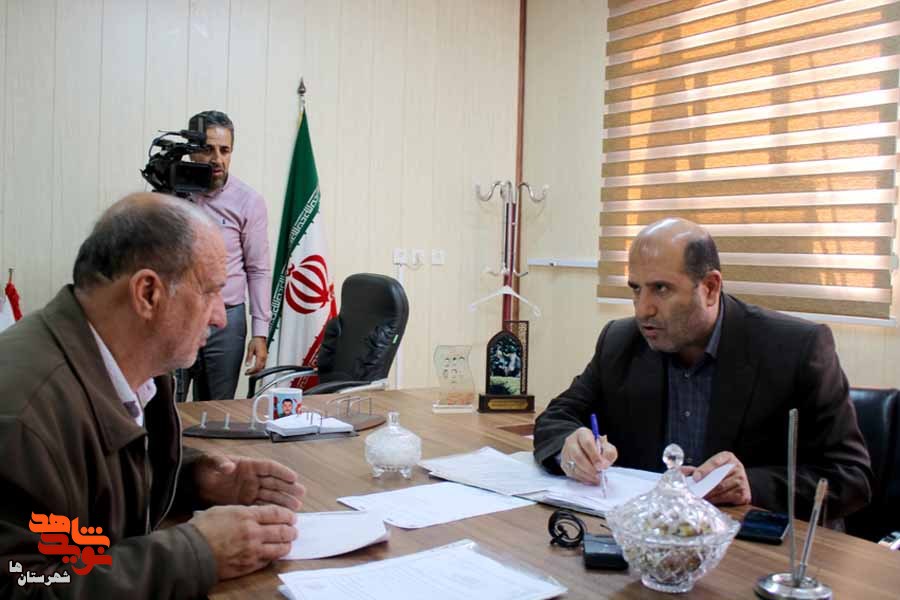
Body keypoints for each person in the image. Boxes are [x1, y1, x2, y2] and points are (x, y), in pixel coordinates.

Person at [0, 193, 305, 598]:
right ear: (147, 293)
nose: (220, 317)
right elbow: (24, 586)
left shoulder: (133, 366)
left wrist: (194, 478)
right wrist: (194, 554)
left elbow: (94, 478)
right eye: (211, 292)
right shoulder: (22, 420)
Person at [533, 218, 872, 521]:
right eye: (636, 289)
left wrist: (752, 485)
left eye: (661, 289)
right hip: (649, 538)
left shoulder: (796, 349)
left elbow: (851, 476)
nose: (643, 309)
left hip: (755, 546)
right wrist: (569, 448)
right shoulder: (621, 342)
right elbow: (557, 418)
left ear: (710, 287)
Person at [182, 110, 271, 400]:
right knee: (167, 409)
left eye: (225, 150)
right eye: (208, 149)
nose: (217, 159)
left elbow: (258, 269)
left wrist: (260, 332)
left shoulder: (249, 201)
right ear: (191, 150)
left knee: (217, 411)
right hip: (177, 316)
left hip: (226, 323)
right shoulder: (170, 193)